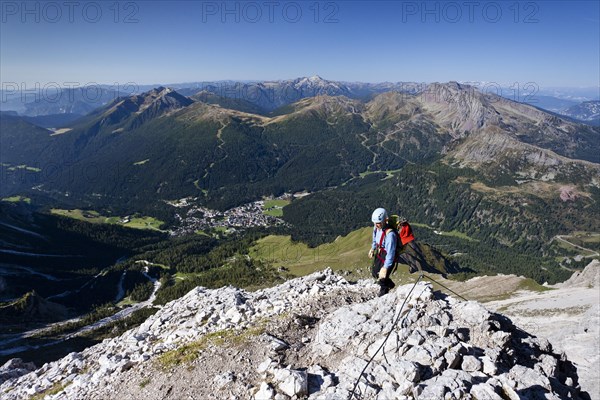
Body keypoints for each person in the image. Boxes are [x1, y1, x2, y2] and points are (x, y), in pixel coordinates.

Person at [368, 207, 398, 296]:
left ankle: (383, 294)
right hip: (380, 251)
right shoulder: (377, 227)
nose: (376, 225)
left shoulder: (390, 235)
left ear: (385, 220)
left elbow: (391, 253)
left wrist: (385, 267)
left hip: (387, 255)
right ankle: (390, 284)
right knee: (375, 272)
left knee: (382, 277)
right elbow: (375, 237)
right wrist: (373, 248)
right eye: (375, 223)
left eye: (378, 223)